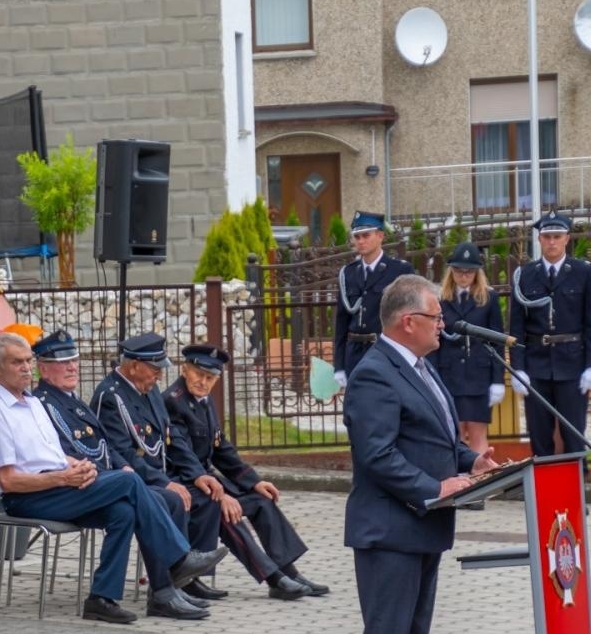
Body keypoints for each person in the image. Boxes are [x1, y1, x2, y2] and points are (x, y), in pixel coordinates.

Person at [345, 274, 497, 634]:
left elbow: (432, 439)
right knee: (389, 630)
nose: (443, 324)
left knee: (413, 630)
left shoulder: (419, 368)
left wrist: (469, 462)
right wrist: (433, 488)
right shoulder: (374, 372)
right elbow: (377, 454)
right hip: (390, 526)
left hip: (422, 525)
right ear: (408, 322)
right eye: (435, 317)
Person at [0, 333, 226, 623]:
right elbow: (8, 481)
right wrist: (63, 478)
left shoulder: (31, 403)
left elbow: (52, 453)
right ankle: (178, 560)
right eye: (16, 362)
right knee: (129, 482)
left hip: (57, 485)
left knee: (122, 512)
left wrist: (79, 466)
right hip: (28, 497)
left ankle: (101, 599)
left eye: (27, 361)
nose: (25, 368)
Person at [31, 331, 205, 619]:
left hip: (96, 480)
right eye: (62, 363)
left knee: (130, 510)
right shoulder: (44, 404)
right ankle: (176, 565)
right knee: (142, 489)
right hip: (71, 485)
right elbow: (64, 452)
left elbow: (104, 444)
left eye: (74, 361)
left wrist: (118, 464)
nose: (72, 367)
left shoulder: (72, 401)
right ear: (43, 368)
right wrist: (117, 471)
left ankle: (106, 598)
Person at [163, 343, 326, 601]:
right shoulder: (173, 402)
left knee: (262, 499)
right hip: (184, 482)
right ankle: (273, 577)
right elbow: (182, 456)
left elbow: (221, 448)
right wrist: (221, 494)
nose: (203, 382)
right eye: (199, 374)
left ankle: (288, 571)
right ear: (185, 370)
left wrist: (254, 482)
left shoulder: (204, 402)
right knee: (227, 511)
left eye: (210, 377)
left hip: (204, 481)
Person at [93, 333, 225, 610]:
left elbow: (170, 438)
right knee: (171, 500)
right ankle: (164, 589)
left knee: (206, 496)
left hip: (157, 475)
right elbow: (122, 453)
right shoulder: (111, 396)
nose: (159, 376)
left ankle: (181, 580)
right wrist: (164, 482)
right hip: (132, 478)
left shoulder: (147, 388)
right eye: (155, 369)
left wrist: (198, 473)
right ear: (133, 366)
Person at [507, 210, 591, 457]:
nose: (552, 242)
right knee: (539, 436)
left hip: (572, 365)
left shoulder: (583, 272)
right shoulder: (525, 275)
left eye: (557, 236)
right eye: (547, 236)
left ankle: (576, 490)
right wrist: (518, 368)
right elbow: (516, 326)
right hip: (536, 365)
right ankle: (544, 491)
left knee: (574, 435)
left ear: (567, 239)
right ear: (539, 239)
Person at [429, 241, 506, 454]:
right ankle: (460, 484)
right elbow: (433, 341)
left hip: (478, 375)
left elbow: (497, 340)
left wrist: (497, 381)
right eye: (458, 271)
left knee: (477, 432)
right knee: (455, 432)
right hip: (449, 374)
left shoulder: (488, 298)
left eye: (469, 272)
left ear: (477, 273)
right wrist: (433, 377)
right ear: (451, 271)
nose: (464, 276)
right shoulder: (441, 300)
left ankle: (481, 481)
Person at [331, 211, 415, 386]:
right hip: (354, 353)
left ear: (380, 236)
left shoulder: (399, 270)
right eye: (357, 236)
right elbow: (341, 322)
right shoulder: (348, 273)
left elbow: (410, 317)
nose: (361, 241)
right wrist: (339, 365)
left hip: (384, 350)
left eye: (366, 235)